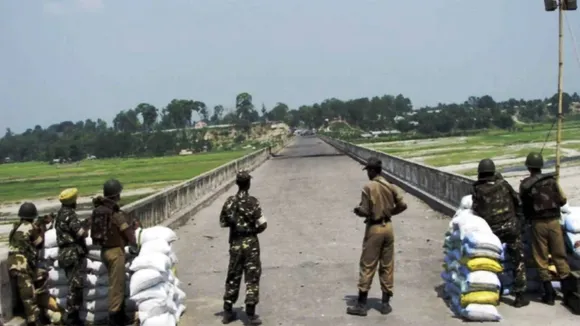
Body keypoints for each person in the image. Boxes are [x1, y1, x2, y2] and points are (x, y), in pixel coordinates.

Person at [347, 157, 407, 317]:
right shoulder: (390, 185)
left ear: (373, 171)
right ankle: (385, 304)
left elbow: (366, 211)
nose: (367, 173)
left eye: (368, 170)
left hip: (374, 229)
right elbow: (403, 205)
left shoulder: (368, 187)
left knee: (367, 265)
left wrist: (358, 210)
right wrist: (389, 212)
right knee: (387, 265)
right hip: (388, 227)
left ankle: (361, 305)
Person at [471, 159, 529, 307]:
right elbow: (518, 202)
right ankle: (520, 296)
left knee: (492, 262)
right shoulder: (504, 185)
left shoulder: (478, 190)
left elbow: (476, 210)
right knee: (518, 260)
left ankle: (494, 293)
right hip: (511, 228)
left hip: (492, 232)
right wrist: (519, 221)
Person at [519, 152, 573, 305]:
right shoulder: (551, 181)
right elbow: (562, 201)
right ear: (541, 166)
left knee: (541, 258)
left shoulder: (525, 184)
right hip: (554, 222)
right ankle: (568, 293)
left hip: (537, 224)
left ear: (528, 167)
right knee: (559, 255)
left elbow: (522, 205)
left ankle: (548, 295)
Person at [219, 170, 267, 325]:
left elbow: (223, 222)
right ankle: (251, 313)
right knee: (252, 276)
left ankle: (227, 311)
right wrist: (253, 230)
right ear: (249, 183)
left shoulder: (229, 202)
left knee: (233, 275)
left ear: (237, 183)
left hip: (235, 243)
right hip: (251, 242)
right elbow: (263, 224)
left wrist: (236, 223)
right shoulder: (253, 202)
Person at [91, 179, 138, 326]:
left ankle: (121, 316)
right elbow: (127, 232)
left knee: (118, 284)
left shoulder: (98, 210)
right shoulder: (114, 212)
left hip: (104, 251)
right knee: (116, 288)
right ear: (116, 195)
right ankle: (115, 320)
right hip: (115, 252)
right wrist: (134, 243)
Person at [7, 202, 46, 326]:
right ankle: (33, 320)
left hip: (13, 261)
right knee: (28, 293)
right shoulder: (30, 227)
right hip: (21, 262)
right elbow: (39, 243)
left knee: (23, 291)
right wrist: (42, 229)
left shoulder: (16, 227)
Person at [55, 188, 89, 325]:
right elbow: (81, 233)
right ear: (71, 202)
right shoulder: (70, 214)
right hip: (72, 254)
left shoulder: (60, 214)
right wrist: (87, 226)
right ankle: (71, 318)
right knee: (75, 287)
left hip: (64, 254)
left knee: (72, 284)